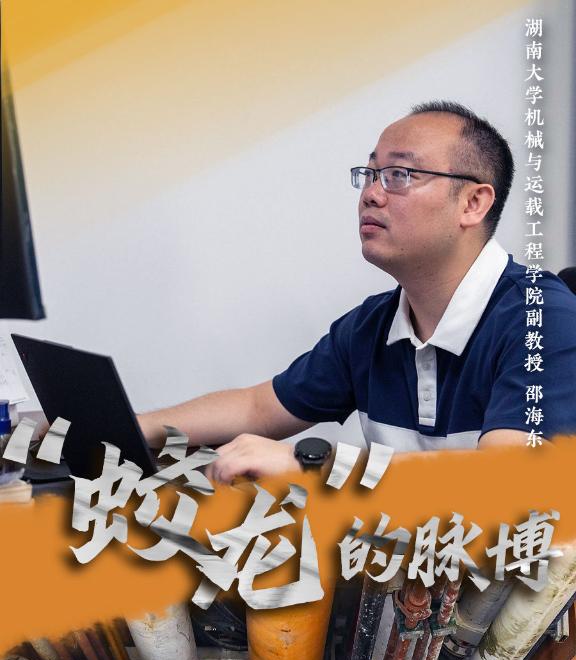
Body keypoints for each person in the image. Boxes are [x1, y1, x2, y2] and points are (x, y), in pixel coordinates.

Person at [139, 101, 576, 482]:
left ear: (473, 203)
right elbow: (257, 409)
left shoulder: (544, 318)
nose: (371, 194)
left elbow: (508, 477)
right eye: (370, 174)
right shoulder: (372, 326)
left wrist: (315, 467)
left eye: (399, 175)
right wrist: (131, 426)